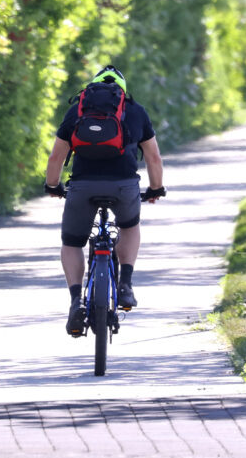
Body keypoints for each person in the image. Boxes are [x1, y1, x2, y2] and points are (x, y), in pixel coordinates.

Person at [44, 65, 166, 337]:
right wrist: (155, 189)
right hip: (124, 186)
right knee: (129, 226)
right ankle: (126, 284)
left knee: (72, 242)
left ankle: (76, 300)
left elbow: (55, 158)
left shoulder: (77, 110)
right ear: (122, 92)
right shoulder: (135, 111)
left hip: (82, 187)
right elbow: (154, 158)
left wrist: (53, 185)